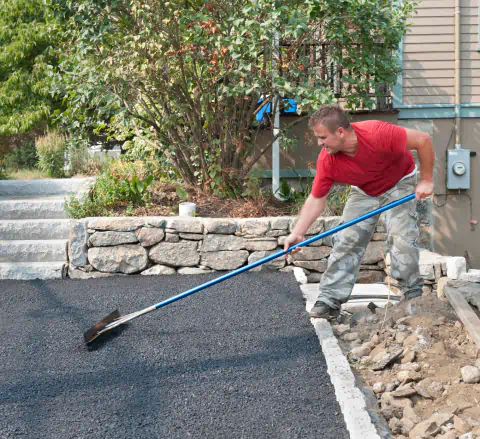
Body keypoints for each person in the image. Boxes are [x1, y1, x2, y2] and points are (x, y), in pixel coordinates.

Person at [283, 104, 435, 320]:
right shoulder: (328, 159)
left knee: (402, 239)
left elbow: (423, 140)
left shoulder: (378, 133)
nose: (319, 143)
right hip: (364, 190)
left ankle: (412, 295)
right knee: (347, 239)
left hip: (399, 182)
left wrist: (427, 179)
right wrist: (298, 232)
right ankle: (329, 300)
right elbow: (316, 199)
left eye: (322, 137)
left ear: (340, 132)